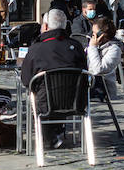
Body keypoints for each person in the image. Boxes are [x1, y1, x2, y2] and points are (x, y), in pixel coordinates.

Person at [20, 9, 88, 148]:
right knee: (59, 90)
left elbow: (26, 80)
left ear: (45, 26)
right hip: (76, 101)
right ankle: (55, 132)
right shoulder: (76, 46)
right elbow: (85, 73)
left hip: (46, 103)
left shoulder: (36, 48)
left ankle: (49, 137)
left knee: (42, 94)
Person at [85, 15, 121, 99]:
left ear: (103, 34)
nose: (92, 36)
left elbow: (98, 69)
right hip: (89, 86)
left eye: (95, 33)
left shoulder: (114, 50)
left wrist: (92, 48)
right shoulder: (93, 47)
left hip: (103, 91)